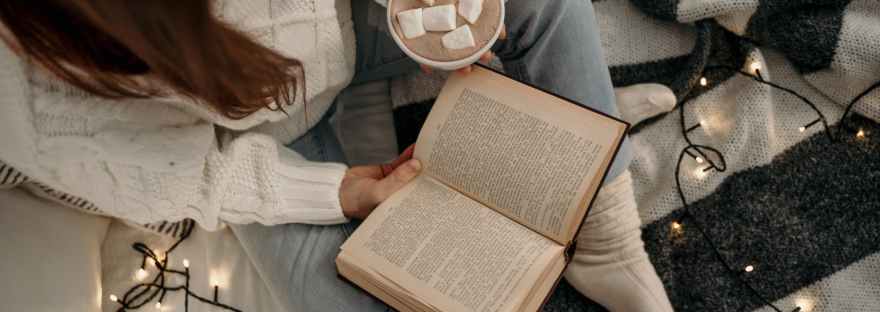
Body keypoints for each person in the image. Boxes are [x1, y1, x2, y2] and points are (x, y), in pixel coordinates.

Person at [0, 0, 673, 311]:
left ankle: (604, 233)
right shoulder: (25, 93)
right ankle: (582, 127)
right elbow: (195, 176)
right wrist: (344, 192)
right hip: (258, 147)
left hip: (357, 22)